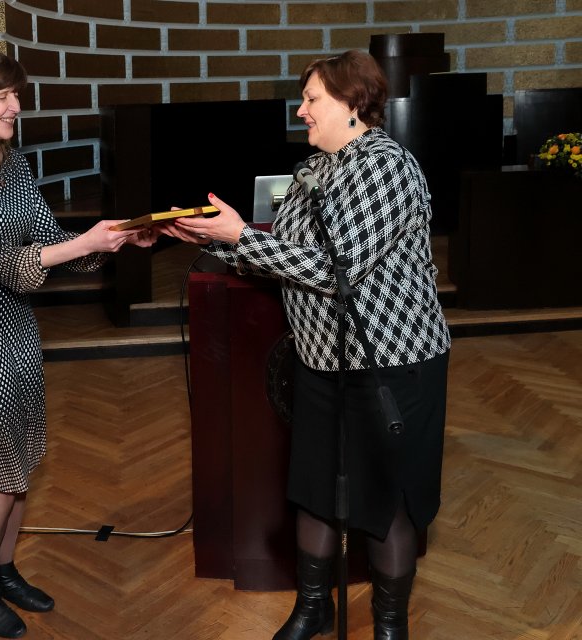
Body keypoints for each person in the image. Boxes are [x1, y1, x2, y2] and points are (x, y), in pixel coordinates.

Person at [160, 50, 451, 640]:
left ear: (352, 103)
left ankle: (390, 626)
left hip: (390, 365)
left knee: (384, 501)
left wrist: (239, 234)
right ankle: (312, 607)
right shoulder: (314, 171)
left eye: (312, 99)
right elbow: (285, 259)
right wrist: (215, 239)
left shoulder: (386, 166)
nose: (301, 111)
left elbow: (335, 268)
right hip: (321, 362)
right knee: (316, 492)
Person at [0, 48, 157, 638]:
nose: (16, 107)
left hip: (18, 330)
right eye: (4, 96)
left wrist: (117, 240)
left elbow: (49, 243)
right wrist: (85, 245)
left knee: (23, 458)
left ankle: (4, 569)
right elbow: (9, 263)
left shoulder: (13, 162)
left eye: (16, 96)